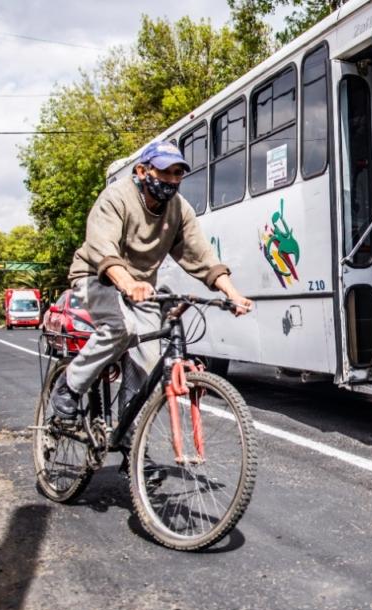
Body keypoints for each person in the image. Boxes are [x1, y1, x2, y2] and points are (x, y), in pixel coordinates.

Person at [51, 140, 252, 423]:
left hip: (142, 288)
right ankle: (69, 386)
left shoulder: (179, 210)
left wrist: (232, 293)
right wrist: (126, 283)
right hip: (95, 276)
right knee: (121, 327)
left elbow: (201, 254)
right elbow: (103, 248)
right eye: (164, 172)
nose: (171, 180)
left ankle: (130, 442)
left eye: (177, 174)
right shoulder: (116, 198)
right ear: (143, 171)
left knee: (148, 360)